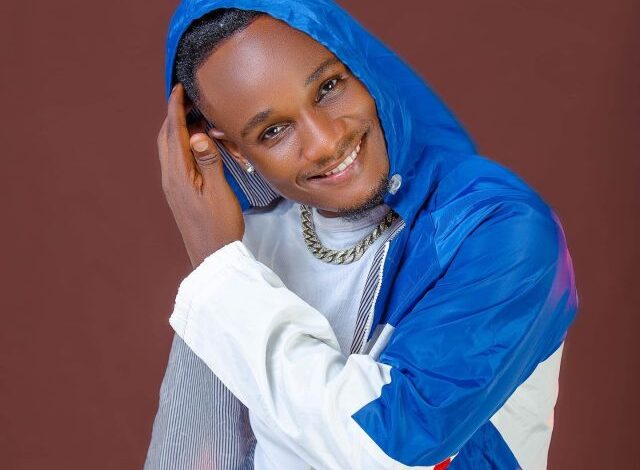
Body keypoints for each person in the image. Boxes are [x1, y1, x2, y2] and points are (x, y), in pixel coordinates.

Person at [145, 1, 579, 469]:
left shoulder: (499, 230)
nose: (325, 142)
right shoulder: (249, 248)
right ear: (233, 149)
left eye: (328, 87)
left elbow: (389, 446)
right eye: (273, 131)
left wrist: (219, 271)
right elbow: (204, 451)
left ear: (359, 65)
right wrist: (225, 268)